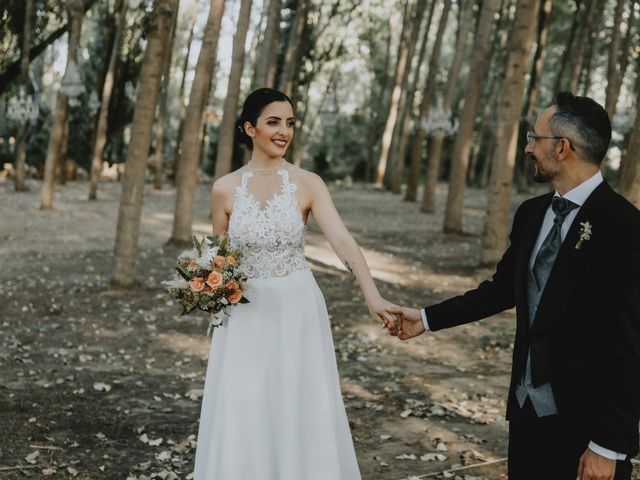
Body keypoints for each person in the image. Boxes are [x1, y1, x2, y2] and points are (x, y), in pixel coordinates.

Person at [387, 92, 640, 480]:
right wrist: (426, 319)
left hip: (587, 430)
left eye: (533, 138)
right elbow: (501, 289)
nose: (527, 148)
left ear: (563, 147)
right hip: (525, 413)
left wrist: (608, 445)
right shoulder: (531, 214)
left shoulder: (625, 228)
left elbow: (631, 346)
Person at [192, 88, 396, 479]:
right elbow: (217, 259)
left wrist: (372, 294)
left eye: (290, 123)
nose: (284, 131)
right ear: (249, 128)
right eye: (273, 122)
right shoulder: (224, 188)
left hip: (297, 309)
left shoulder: (308, 183)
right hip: (244, 316)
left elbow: (341, 240)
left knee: (298, 403)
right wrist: (205, 289)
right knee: (246, 403)